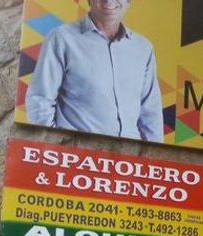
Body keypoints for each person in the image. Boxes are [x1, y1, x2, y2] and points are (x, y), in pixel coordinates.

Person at [25, 0, 164, 142]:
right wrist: (57, 145)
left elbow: (151, 113)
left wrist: (156, 152)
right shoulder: (61, 39)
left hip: (129, 154)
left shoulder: (143, 48)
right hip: (79, 152)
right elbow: (39, 100)